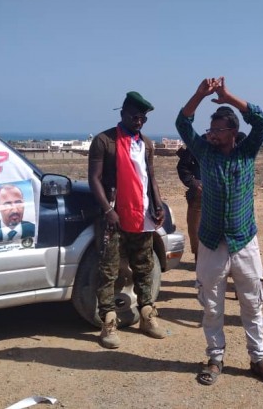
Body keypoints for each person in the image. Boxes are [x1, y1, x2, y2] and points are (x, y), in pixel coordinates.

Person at [175, 77, 263, 386]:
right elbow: (182, 122)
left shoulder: (247, 151)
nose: (212, 133)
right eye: (211, 128)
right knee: (211, 305)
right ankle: (215, 358)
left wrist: (228, 96)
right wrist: (199, 94)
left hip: (244, 240)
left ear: (233, 132)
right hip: (211, 242)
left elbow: (261, 120)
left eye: (218, 129)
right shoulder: (204, 153)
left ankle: (258, 358)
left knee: (252, 303)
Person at [88, 91, 166, 349]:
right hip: (114, 215)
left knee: (144, 267)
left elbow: (150, 177)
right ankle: (108, 322)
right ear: (122, 113)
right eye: (135, 116)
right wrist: (107, 211)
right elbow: (94, 178)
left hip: (141, 216)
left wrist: (158, 205)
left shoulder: (146, 144)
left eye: (143, 118)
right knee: (109, 270)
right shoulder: (104, 141)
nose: (139, 121)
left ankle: (147, 315)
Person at [177, 132, 246, 262]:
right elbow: (183, 166)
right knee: (197, 229)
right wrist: (193, 183)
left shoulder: (238, 140)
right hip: (201, 195)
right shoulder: (200, 142)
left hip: (227, 196)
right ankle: (200, 260)